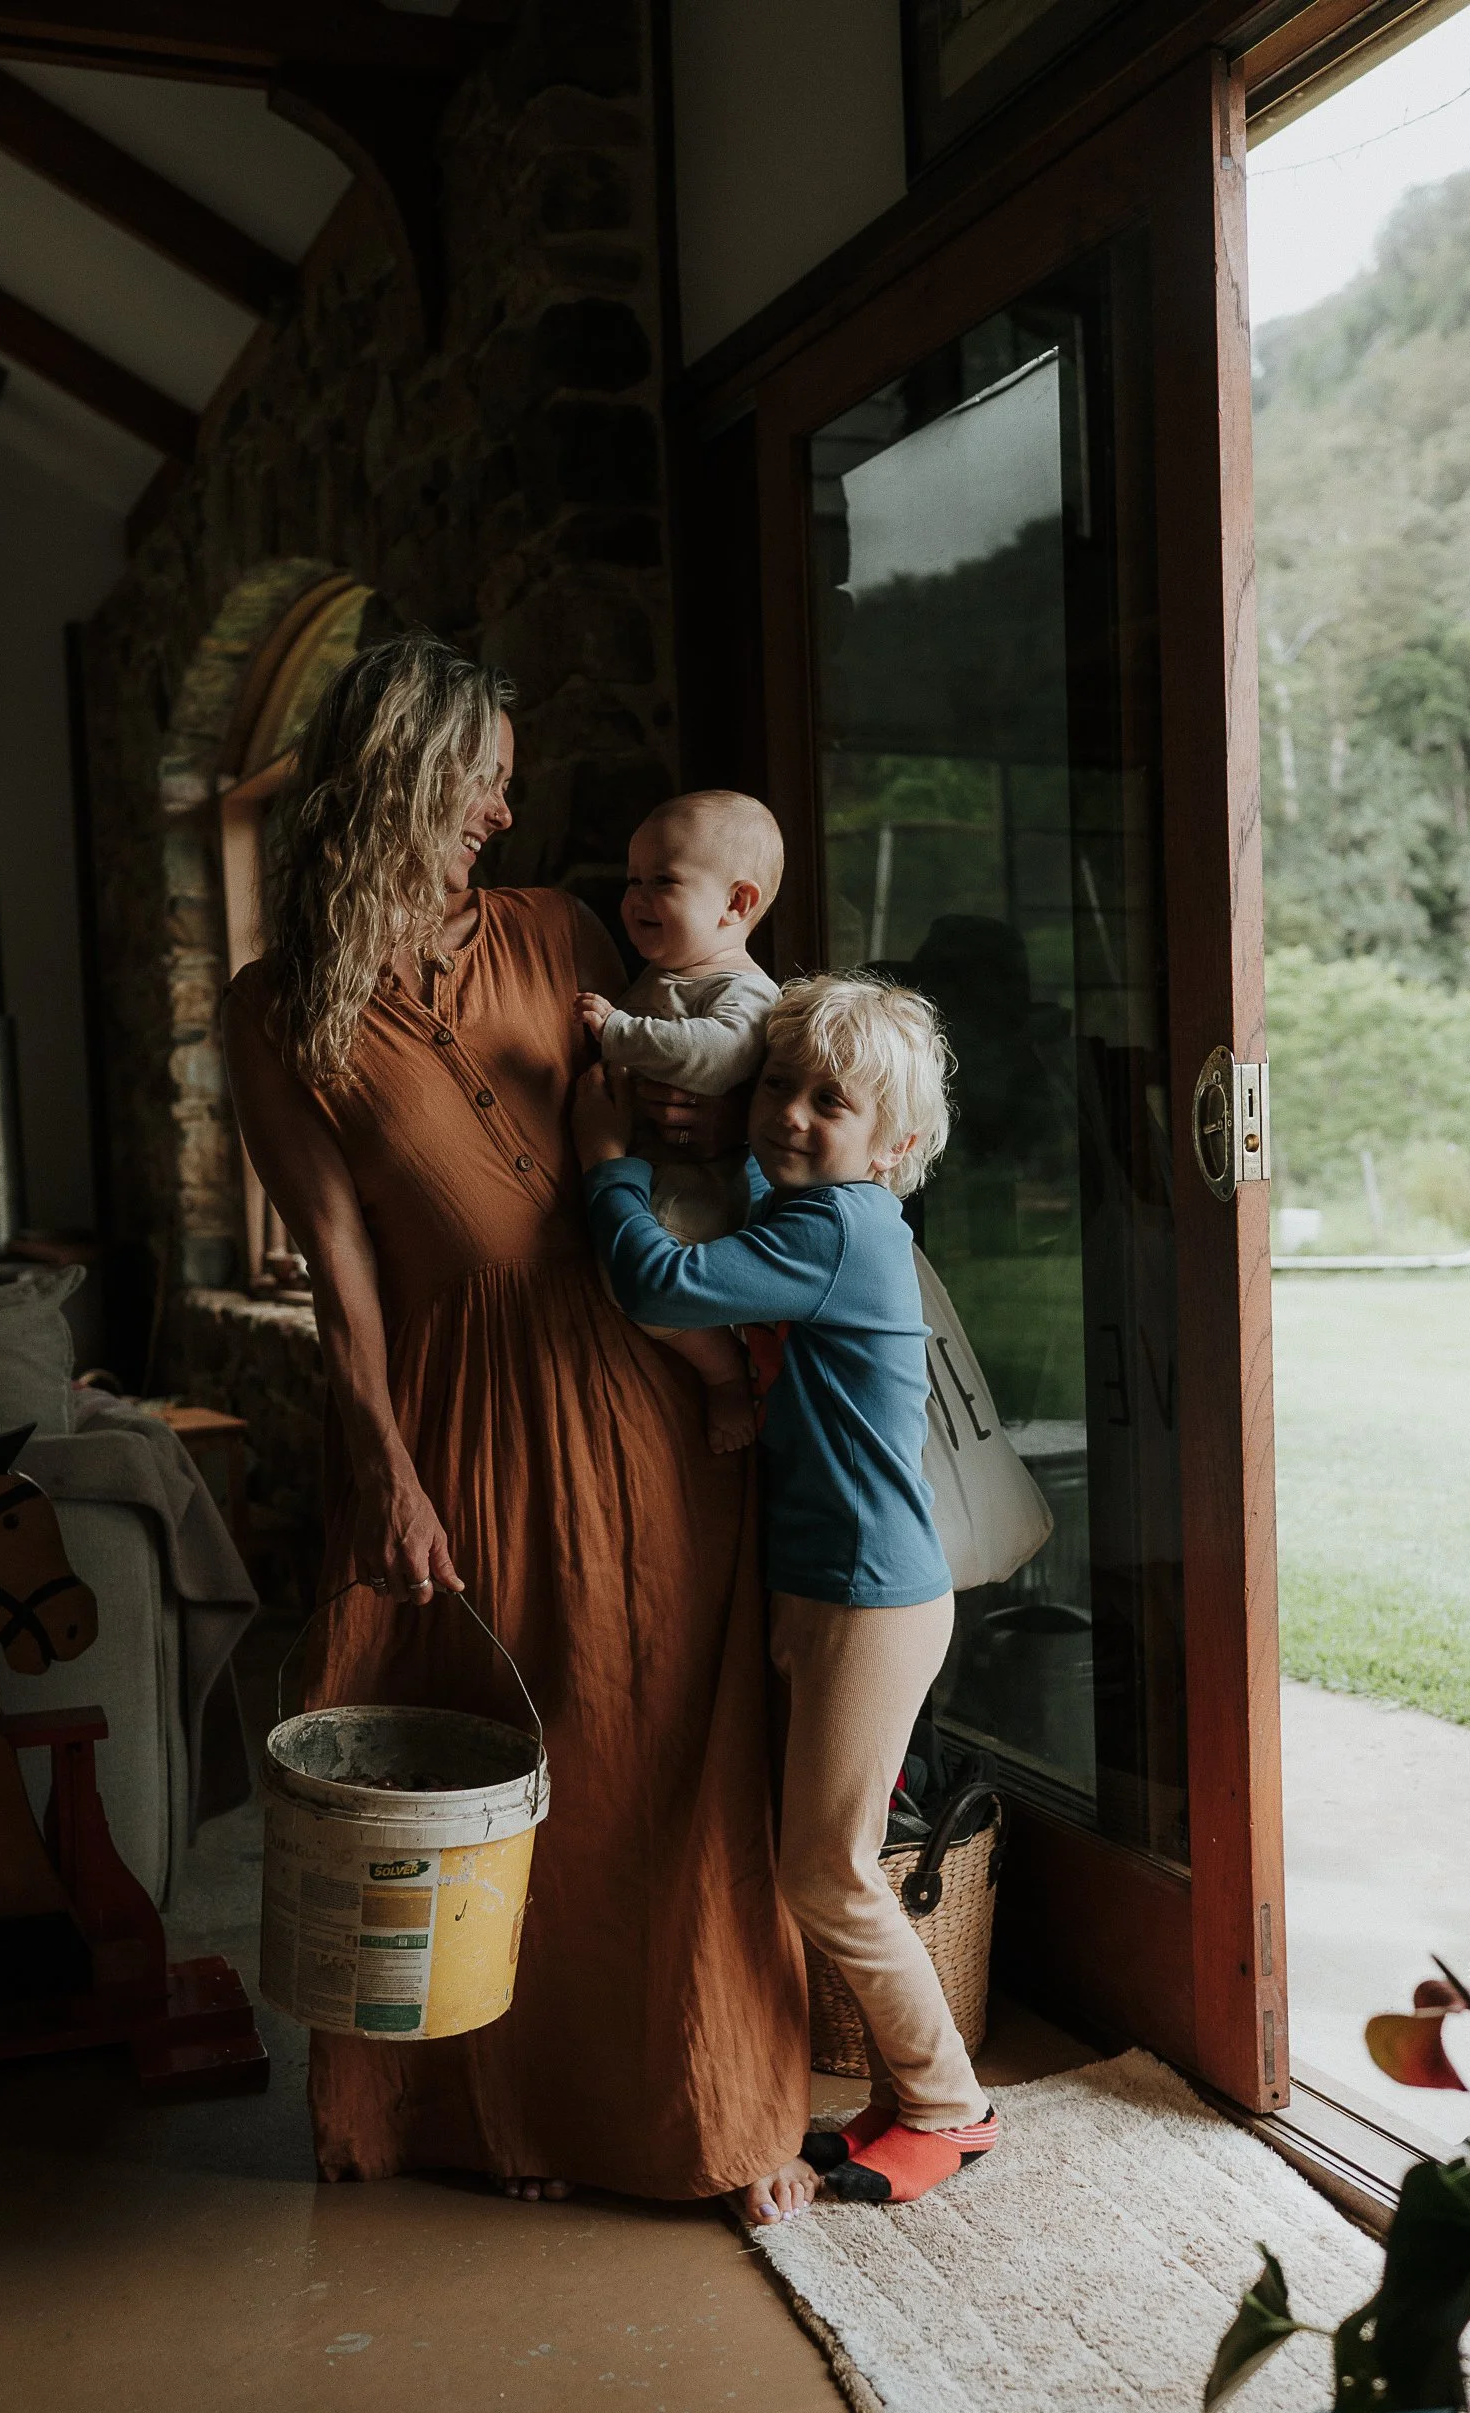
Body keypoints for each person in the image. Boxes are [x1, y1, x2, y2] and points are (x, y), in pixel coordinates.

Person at [222, 630, 814, 2222]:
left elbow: (723, 1070)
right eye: (480, 781)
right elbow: (340, 1268)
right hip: (466, 1411)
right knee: (506, 1756)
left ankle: (713, 2115)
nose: (500, 813)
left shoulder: (561, 927)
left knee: (664, 1754)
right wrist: (386, 1472)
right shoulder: (275, 1008)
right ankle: (503, 2119)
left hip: (638, 1374)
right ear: (405, 779)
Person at [574, 972, 1001, 2207]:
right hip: (832, 1587)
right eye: (776, 1085)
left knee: (829, 1869)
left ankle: (948, 2106)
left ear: (896, 1147)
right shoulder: (808, 1213)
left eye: (831, 1101)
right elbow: (755, 1195)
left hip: (870, 1599)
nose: (791, 1116)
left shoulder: (838, 1232)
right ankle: (901, 2097)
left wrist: (608, 1164)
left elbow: (655, 1282)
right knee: (825, 1854)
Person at [573, 789, 784, 1453]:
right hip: (648, 1167)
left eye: (661, 880)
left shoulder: (742, 989)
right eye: (631, 880)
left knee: (641, 1289)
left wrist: (617, 1031)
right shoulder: (667, 973)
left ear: (737, 904)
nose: (635, 898)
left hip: (696, 1188)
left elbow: (717, 1059)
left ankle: (723, 1372)